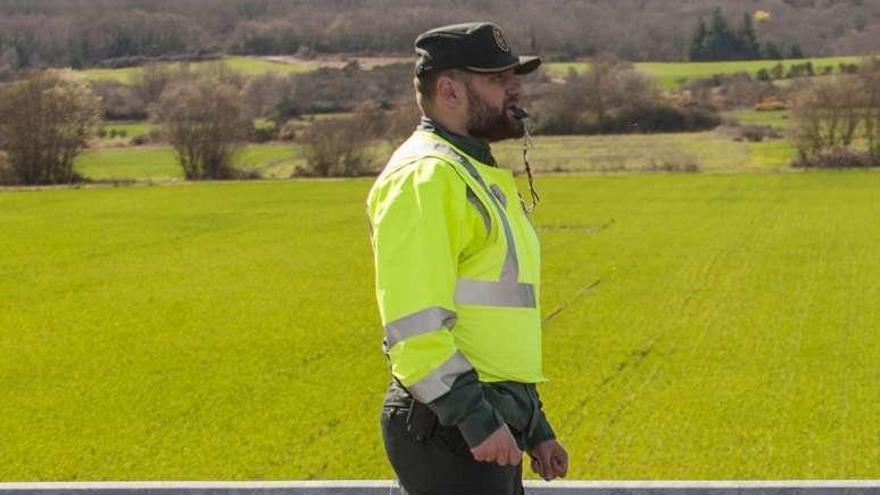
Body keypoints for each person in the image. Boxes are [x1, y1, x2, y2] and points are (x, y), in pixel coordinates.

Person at [366, 21, 569, 495]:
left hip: (485, 418)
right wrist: (477, 421)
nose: (515, 87)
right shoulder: (428, 177)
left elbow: (495, 325)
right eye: (498, 79)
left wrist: (534, 424)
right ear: (450, 89)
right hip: (452, 426)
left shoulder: (471, 171)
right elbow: (414, 330)